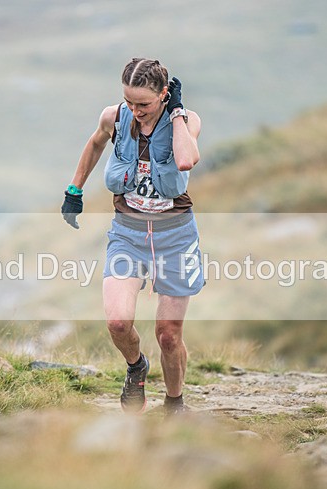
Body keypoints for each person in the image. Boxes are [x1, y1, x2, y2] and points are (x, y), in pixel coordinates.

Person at [61, 58, 203, 416]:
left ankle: (174, 404)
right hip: (128, 233)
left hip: (176, 236)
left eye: (144, 104)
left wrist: (176, 114)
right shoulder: (115, 116)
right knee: (118, 323)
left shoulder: (186, 120)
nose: (135, 111)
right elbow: (95, 143)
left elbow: (186, 160)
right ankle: (136, 366)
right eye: (129, 101)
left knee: (168, 335)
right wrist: (74, 190)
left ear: (164, 94)